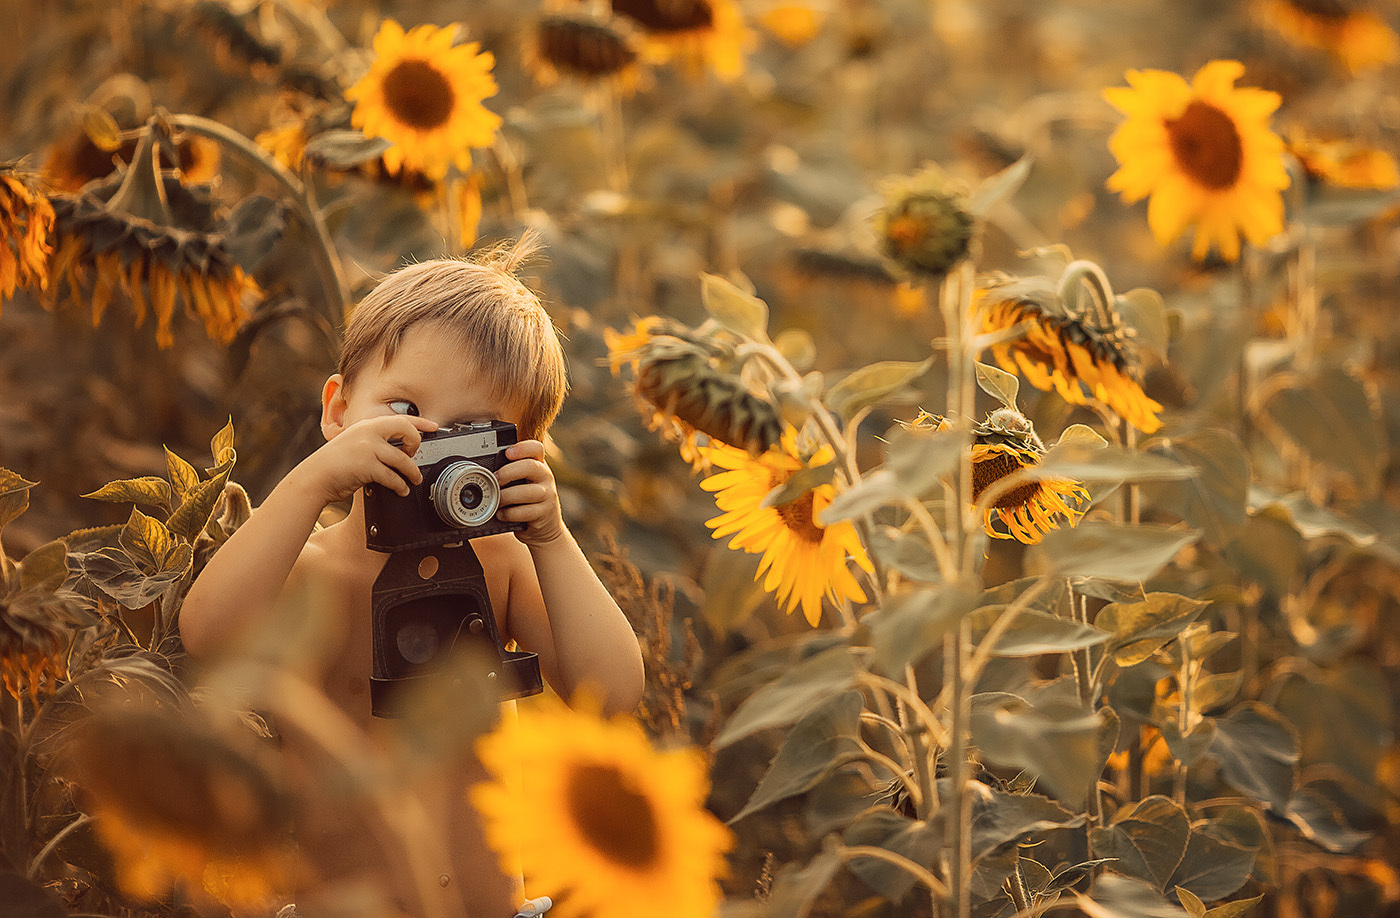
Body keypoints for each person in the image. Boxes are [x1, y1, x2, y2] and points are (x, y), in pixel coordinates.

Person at [179, 233, 645, 917]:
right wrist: (309, 484)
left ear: (516, 453)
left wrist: (549, 535)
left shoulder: (501, 566)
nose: (429, 444)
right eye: (402, 411)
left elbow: (613, 697)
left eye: (473, 430)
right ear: (338, 410)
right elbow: (208, 634)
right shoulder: (312, 570)